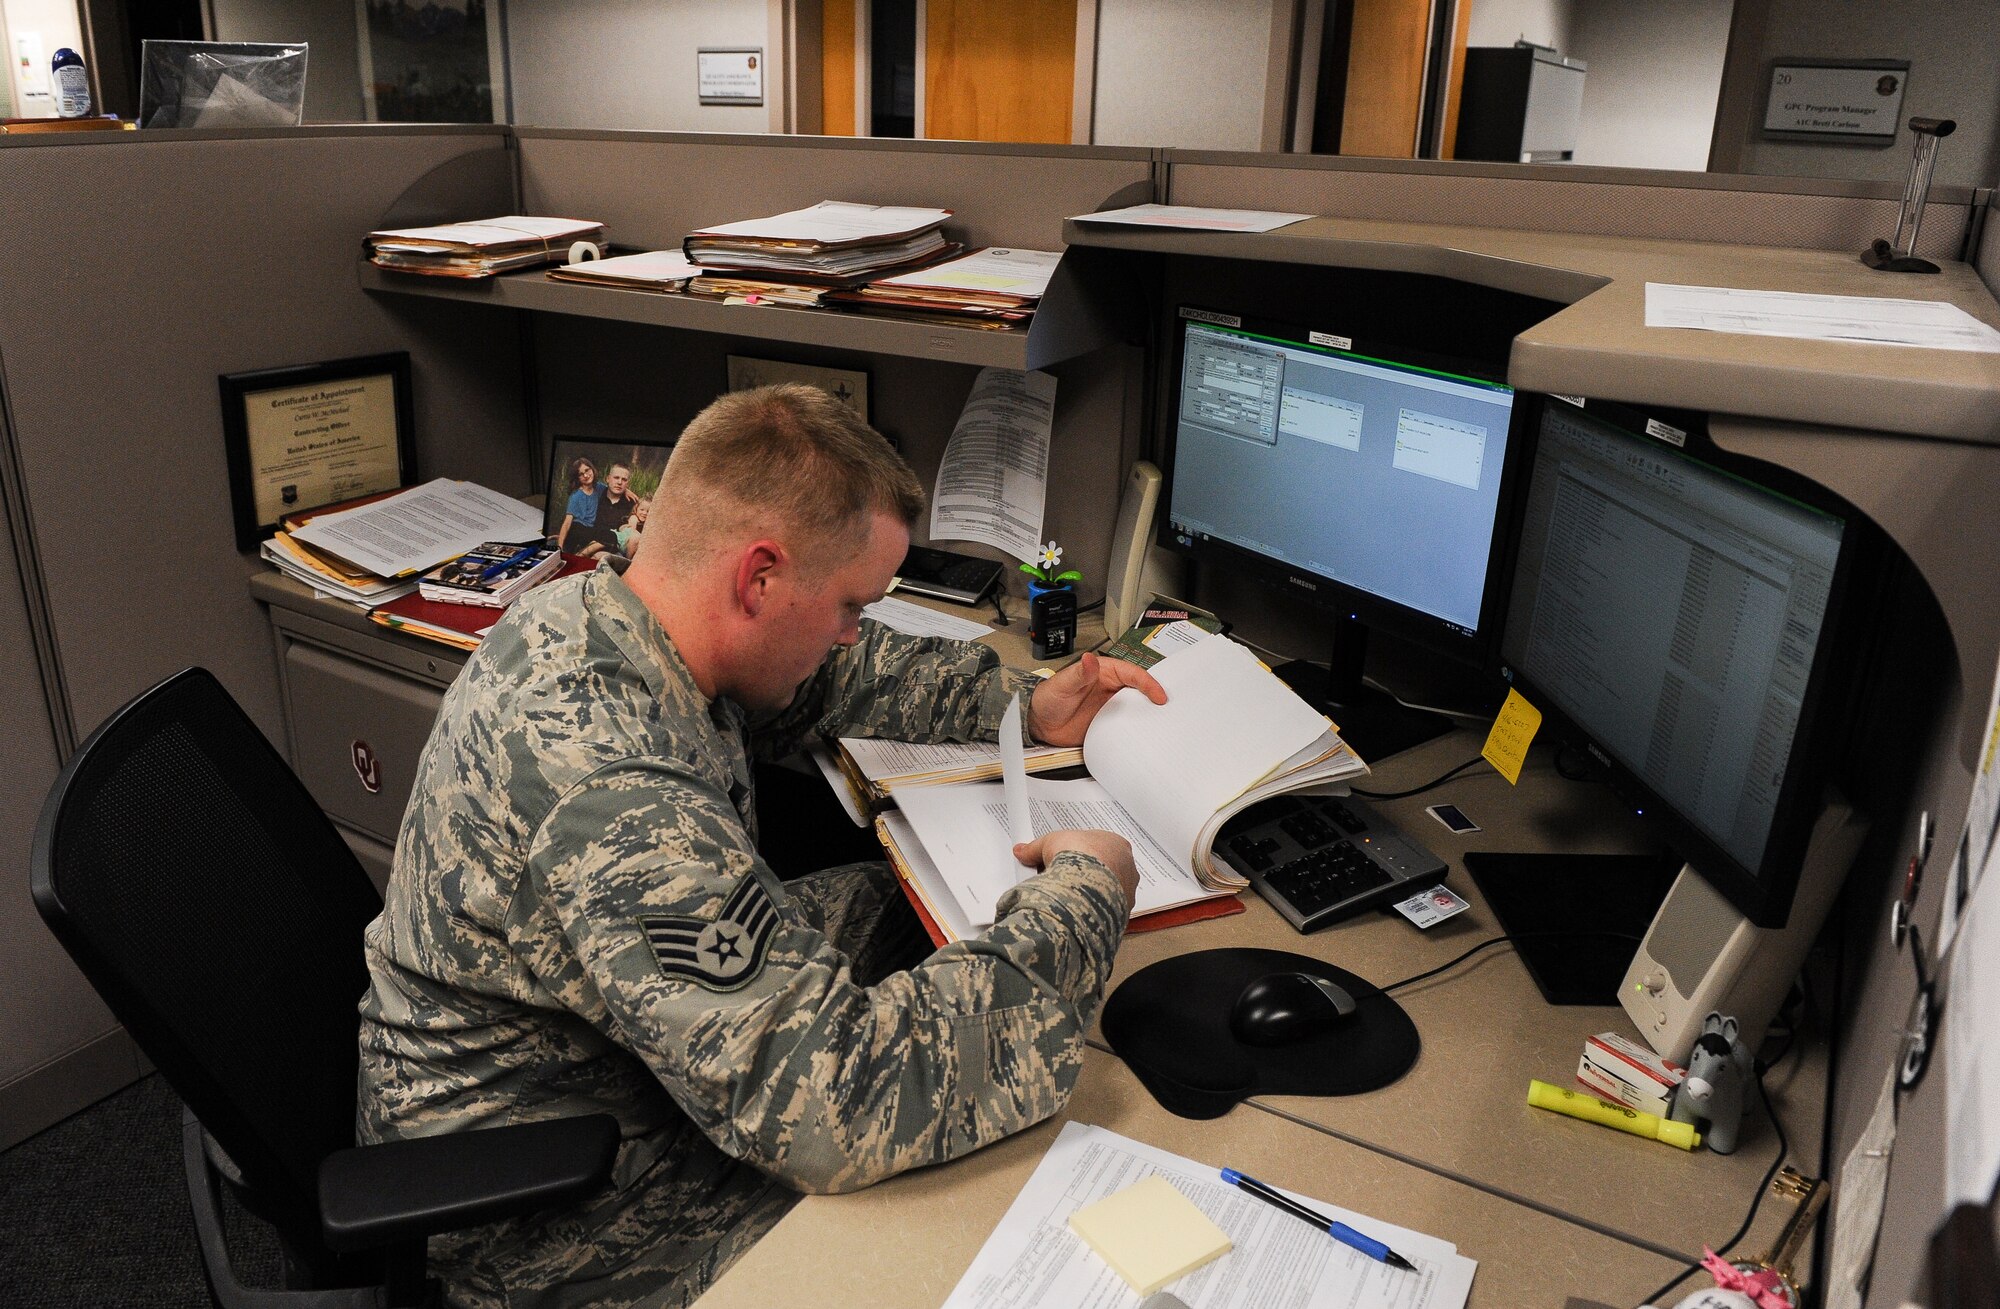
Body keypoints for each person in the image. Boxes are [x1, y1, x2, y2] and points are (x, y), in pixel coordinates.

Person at [357, 383, 1167, 1309]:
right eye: (851, 604)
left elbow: (829, 675)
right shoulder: (611, 790)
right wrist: (1084, 901)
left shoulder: (616, 610)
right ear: (759, 579)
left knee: (887, 907)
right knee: (950, 1226)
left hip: (596, 1069)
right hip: (549, 1210)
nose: (851, 632)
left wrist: (1022, 705)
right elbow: (835, 1108)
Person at [556, 456, 604, 554]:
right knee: (578, 532)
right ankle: (577, 552)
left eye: (587, 470)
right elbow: (567, 522)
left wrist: (627, 492)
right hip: (578, 527)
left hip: (591, 529)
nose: (586, 475)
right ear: (577, 478)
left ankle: (582, 550)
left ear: (592, 469)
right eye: (581, 474)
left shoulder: (599, 487)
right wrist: (559, 546)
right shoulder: (576, 496)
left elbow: (612, 489)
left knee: (608, 536)